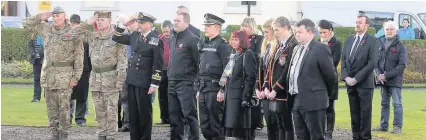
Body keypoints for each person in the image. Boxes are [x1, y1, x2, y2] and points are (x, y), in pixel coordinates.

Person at [23, 6, 85, 139]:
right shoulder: (46, 29)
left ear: (64, 16)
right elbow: (26, 24)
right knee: (51, 111)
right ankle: (54, 135)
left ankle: (64, 135)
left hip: (65, 77)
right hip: (49, 76)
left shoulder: (73, 32)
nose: (55, 19)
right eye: (54, 16)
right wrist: (40, 17)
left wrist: (76, 77)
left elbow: (79, 57)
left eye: (58, 16)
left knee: (64, 110)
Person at [74, 11, 127, 140]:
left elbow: (122, 60)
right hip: (95, 79)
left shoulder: (117, 37)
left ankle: (111, 136)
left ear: (110, 22)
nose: (99, 22)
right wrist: (88, 21)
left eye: (102, 20)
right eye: (98, 20)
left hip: (111, 78)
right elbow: (75, 32)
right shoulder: (93, 36)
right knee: (99, 111)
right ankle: (101, 134)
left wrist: (120, 80)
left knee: (111, 111)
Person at [113, 12, 163, 140]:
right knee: (133, 113)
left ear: (150, 24)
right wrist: (125, 24)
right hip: (132, 80)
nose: (139, 25)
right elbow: (116, 37)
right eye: (139, 22)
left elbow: (158, 64)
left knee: (144, 113)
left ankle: (145, 137)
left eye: (142, 22)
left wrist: (154, 84)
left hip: (145, 82)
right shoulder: (135, 35)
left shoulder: (155, 40)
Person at [289, 18, 336, 140]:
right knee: (301, 136)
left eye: (300, 32)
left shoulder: (320, 48)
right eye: (295, 31)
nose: (296, 34)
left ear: (310, 32)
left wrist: (325, 95)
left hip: (314, 102)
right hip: (296, 100)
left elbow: (331, 76)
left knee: (316, 136)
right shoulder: (296, 48)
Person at [341, 13, 379, 140]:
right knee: (354, 113)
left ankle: (365, 137)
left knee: (365, 114)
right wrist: (346, 77)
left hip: (364, 84)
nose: (357, 24)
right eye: (356, 22)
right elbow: (344, 59)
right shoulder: (350, 39)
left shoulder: (372, 41)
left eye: (360, 22)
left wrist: (356, 79)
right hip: (350, 84)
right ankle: (355, 136)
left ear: (366, 25)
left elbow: (372, 63)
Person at [197, 13, 231, 140]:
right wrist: (197, 88)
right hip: (203, 88)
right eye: (205, 25)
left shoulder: (222, 45)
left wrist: (222, 90)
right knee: (204, 124)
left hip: (215, 89)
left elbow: (228, 70)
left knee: (216, 124)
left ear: (217, 27)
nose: (205, 28)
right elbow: (199, 66)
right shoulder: (203, 43)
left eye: (208, 25)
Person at [219, 30, 257, 140]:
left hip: (240, 98)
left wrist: (246, 97)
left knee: (241, 131)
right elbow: (226, 74)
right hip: (231, 96)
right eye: (232, 39)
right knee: (233, 132)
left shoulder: (248, 54)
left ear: (243, 40)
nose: (233, 42)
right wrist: (221, 89)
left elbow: (251, 77)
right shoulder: (234, 54)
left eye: (236, 39)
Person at [168, 12, 200, 140]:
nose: (175, 22)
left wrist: (196, 83)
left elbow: (199, 63)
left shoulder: (193, 39)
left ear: (186, 23)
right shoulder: (173, 38)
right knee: (174, 116)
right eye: (174, 20)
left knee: (190, 115)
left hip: (186, 83)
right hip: (172, 82)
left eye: (178, 21)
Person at [266, 16, 298, 140]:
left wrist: (275, 89)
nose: (275, 33)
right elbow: (272, 68)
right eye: (273, 30)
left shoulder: (293, 44)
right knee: (280, 124)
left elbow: (287, 70)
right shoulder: (281, 45)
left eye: (277, 30)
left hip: (284, 91)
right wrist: (268, 87)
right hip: (276, 91)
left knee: (287, 124)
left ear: (286, 27)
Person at [373, 21, 407, 134]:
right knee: (384, 103)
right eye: (387, 29)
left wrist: (386, 75)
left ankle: (397, 127)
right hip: (382, 80)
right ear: (384, 30)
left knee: (397, 103)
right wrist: (378, 74)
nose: (389, 31)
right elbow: (375, 61)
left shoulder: (400, 46)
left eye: (391, 29)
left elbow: (402, 65)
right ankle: (383, 125)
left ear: (395, 31)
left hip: (394, 80)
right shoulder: (379, 43)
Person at [255, 18, 280, 140]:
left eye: (267, 32)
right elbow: (261, 70)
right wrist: (258, 88)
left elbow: (276, 72)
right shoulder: (266, 47)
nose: (264, 35)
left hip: (274, 92)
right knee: (269, 122)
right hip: (265, 92)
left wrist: (269, 88)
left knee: (275, 122)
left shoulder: (278, 48)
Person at [318, 19, 342, 140]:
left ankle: (329, 133)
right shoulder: (317, 42)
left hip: (330, 79)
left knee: (329, 106)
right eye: (320, 32)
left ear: (330, 31)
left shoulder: (336, 43)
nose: (322, 35)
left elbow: (334, 61)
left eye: (324, 32)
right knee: (318, 107)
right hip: (317, 80)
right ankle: (320, 131)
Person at [240, 17, 264, 138]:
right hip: (241, 76)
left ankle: (255, 123)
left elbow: (260, 55)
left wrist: (248, 54)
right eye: (243, 26)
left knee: (253, 102)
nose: (244, 28)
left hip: (254, 74)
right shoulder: (241, 40)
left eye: (246, 26)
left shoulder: (259, 39)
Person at [116, 13, 139, 132]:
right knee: (117, 100)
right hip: (117, 71)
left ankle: (127, 123)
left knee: (125, 99)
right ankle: (117, 123)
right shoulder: (119, 37)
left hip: (127, 71)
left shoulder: (131, 37)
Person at [68, 14, 92, 127]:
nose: (74, 25)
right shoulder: (67, 35)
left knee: (82, 95)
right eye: (72, 23)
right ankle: (67, 117)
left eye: (76, 23)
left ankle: (80, 118)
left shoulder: (85, 36)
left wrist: (90, 69)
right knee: (67, 95)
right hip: (68, 69)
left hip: (84, 69)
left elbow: (90, 55)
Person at [156, 20, 172, 125]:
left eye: (167, 31)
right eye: (164, 31)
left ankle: (173, 118)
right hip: (161, 71)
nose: (166, 33)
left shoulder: (175, 38)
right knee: (161, 95)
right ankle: (164, 118)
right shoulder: (158, 39)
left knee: (171, 95)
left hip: (172, 71)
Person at [28, 32, 44, 103]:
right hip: (36, 61)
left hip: (46, 60)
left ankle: (48, 97)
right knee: (37, 79)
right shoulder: (32, 38)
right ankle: (36, 97)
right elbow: (30, 48)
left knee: (48, 79)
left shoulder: (46, 35)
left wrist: (41, 54)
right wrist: (34, 54)